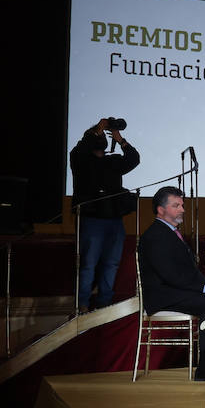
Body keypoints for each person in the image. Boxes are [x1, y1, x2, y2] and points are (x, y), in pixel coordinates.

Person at [137, 186, 205, 379]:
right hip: (163, 296)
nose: (182, 210)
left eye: (182, 205)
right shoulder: (155, 235)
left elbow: (188, 272)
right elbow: (170, 274)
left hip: (176, 291)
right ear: (161, 210)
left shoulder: (169, 233)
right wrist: (204, 289)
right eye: (176, 205)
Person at [70, 117, 140, 309]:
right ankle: (82, 305)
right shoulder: (81, 159)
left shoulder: (113, 161)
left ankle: (104, 303)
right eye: (98, 136)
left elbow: (134, 159)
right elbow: (80, 150)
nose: (100, 138)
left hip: (114, 219)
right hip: (91, 219)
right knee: (88, 264)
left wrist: (120, 140)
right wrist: (97, 129)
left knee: (112, 263)